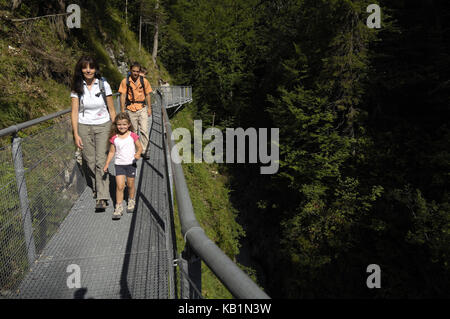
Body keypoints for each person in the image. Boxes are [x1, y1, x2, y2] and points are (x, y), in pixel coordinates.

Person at [70, 55, 116, 211]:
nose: (88, 70)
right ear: (81, 69)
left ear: (95, 69)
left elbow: (111, 109)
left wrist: (116, 131)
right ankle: (97, 185)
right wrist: (76, 133)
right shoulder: (77, 86)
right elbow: (74, 111)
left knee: (100, 161)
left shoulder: (103, 85)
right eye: (85, 67)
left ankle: (102, 197)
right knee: (89, 160)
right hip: (84, 127)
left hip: (103, 125)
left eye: (91, 67)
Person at [103, 112, 143, 220]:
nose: (122, 127)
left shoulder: (133, 136)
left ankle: (131, 200)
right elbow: (111, 152)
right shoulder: (114, 138)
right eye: (119, 124)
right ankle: (118, 206)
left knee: (130, 184)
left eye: (124, 124)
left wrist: (138, 154)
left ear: (129, 124)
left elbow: (140, 147)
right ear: (116, 125)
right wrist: (106, 164)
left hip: (131, 164)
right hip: (119, 165)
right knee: (120, 186)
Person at [118, 62, 152, 159]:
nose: (136, 73)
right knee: (133, 131)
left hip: (142, 108)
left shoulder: (144, 81)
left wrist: (149, 108)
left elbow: (148, 94)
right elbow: (122, 95)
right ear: (130, 71)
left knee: (144, 130)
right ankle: (135, 150)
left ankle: (144, 150)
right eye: (134, 71)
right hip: (130, 108)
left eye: (137, 71)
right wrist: (122, 110)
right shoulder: (125, 81)